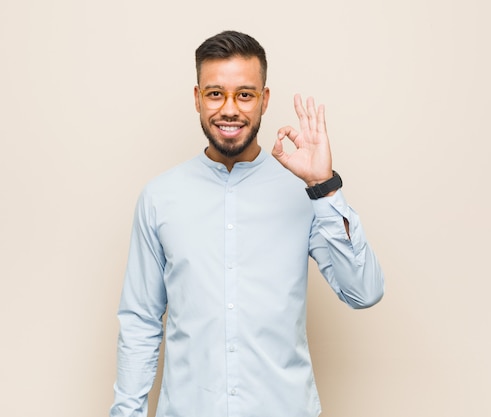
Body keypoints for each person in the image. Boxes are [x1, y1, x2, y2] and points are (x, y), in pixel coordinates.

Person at [110, 30, 384, 417]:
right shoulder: (159, 198)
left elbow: (364, 291)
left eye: (245, 94)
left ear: (264, 100)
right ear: (197, 99)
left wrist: (324, 188)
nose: (229, 109)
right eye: (215, 93)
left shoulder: (304, 193)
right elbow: (140, 322)